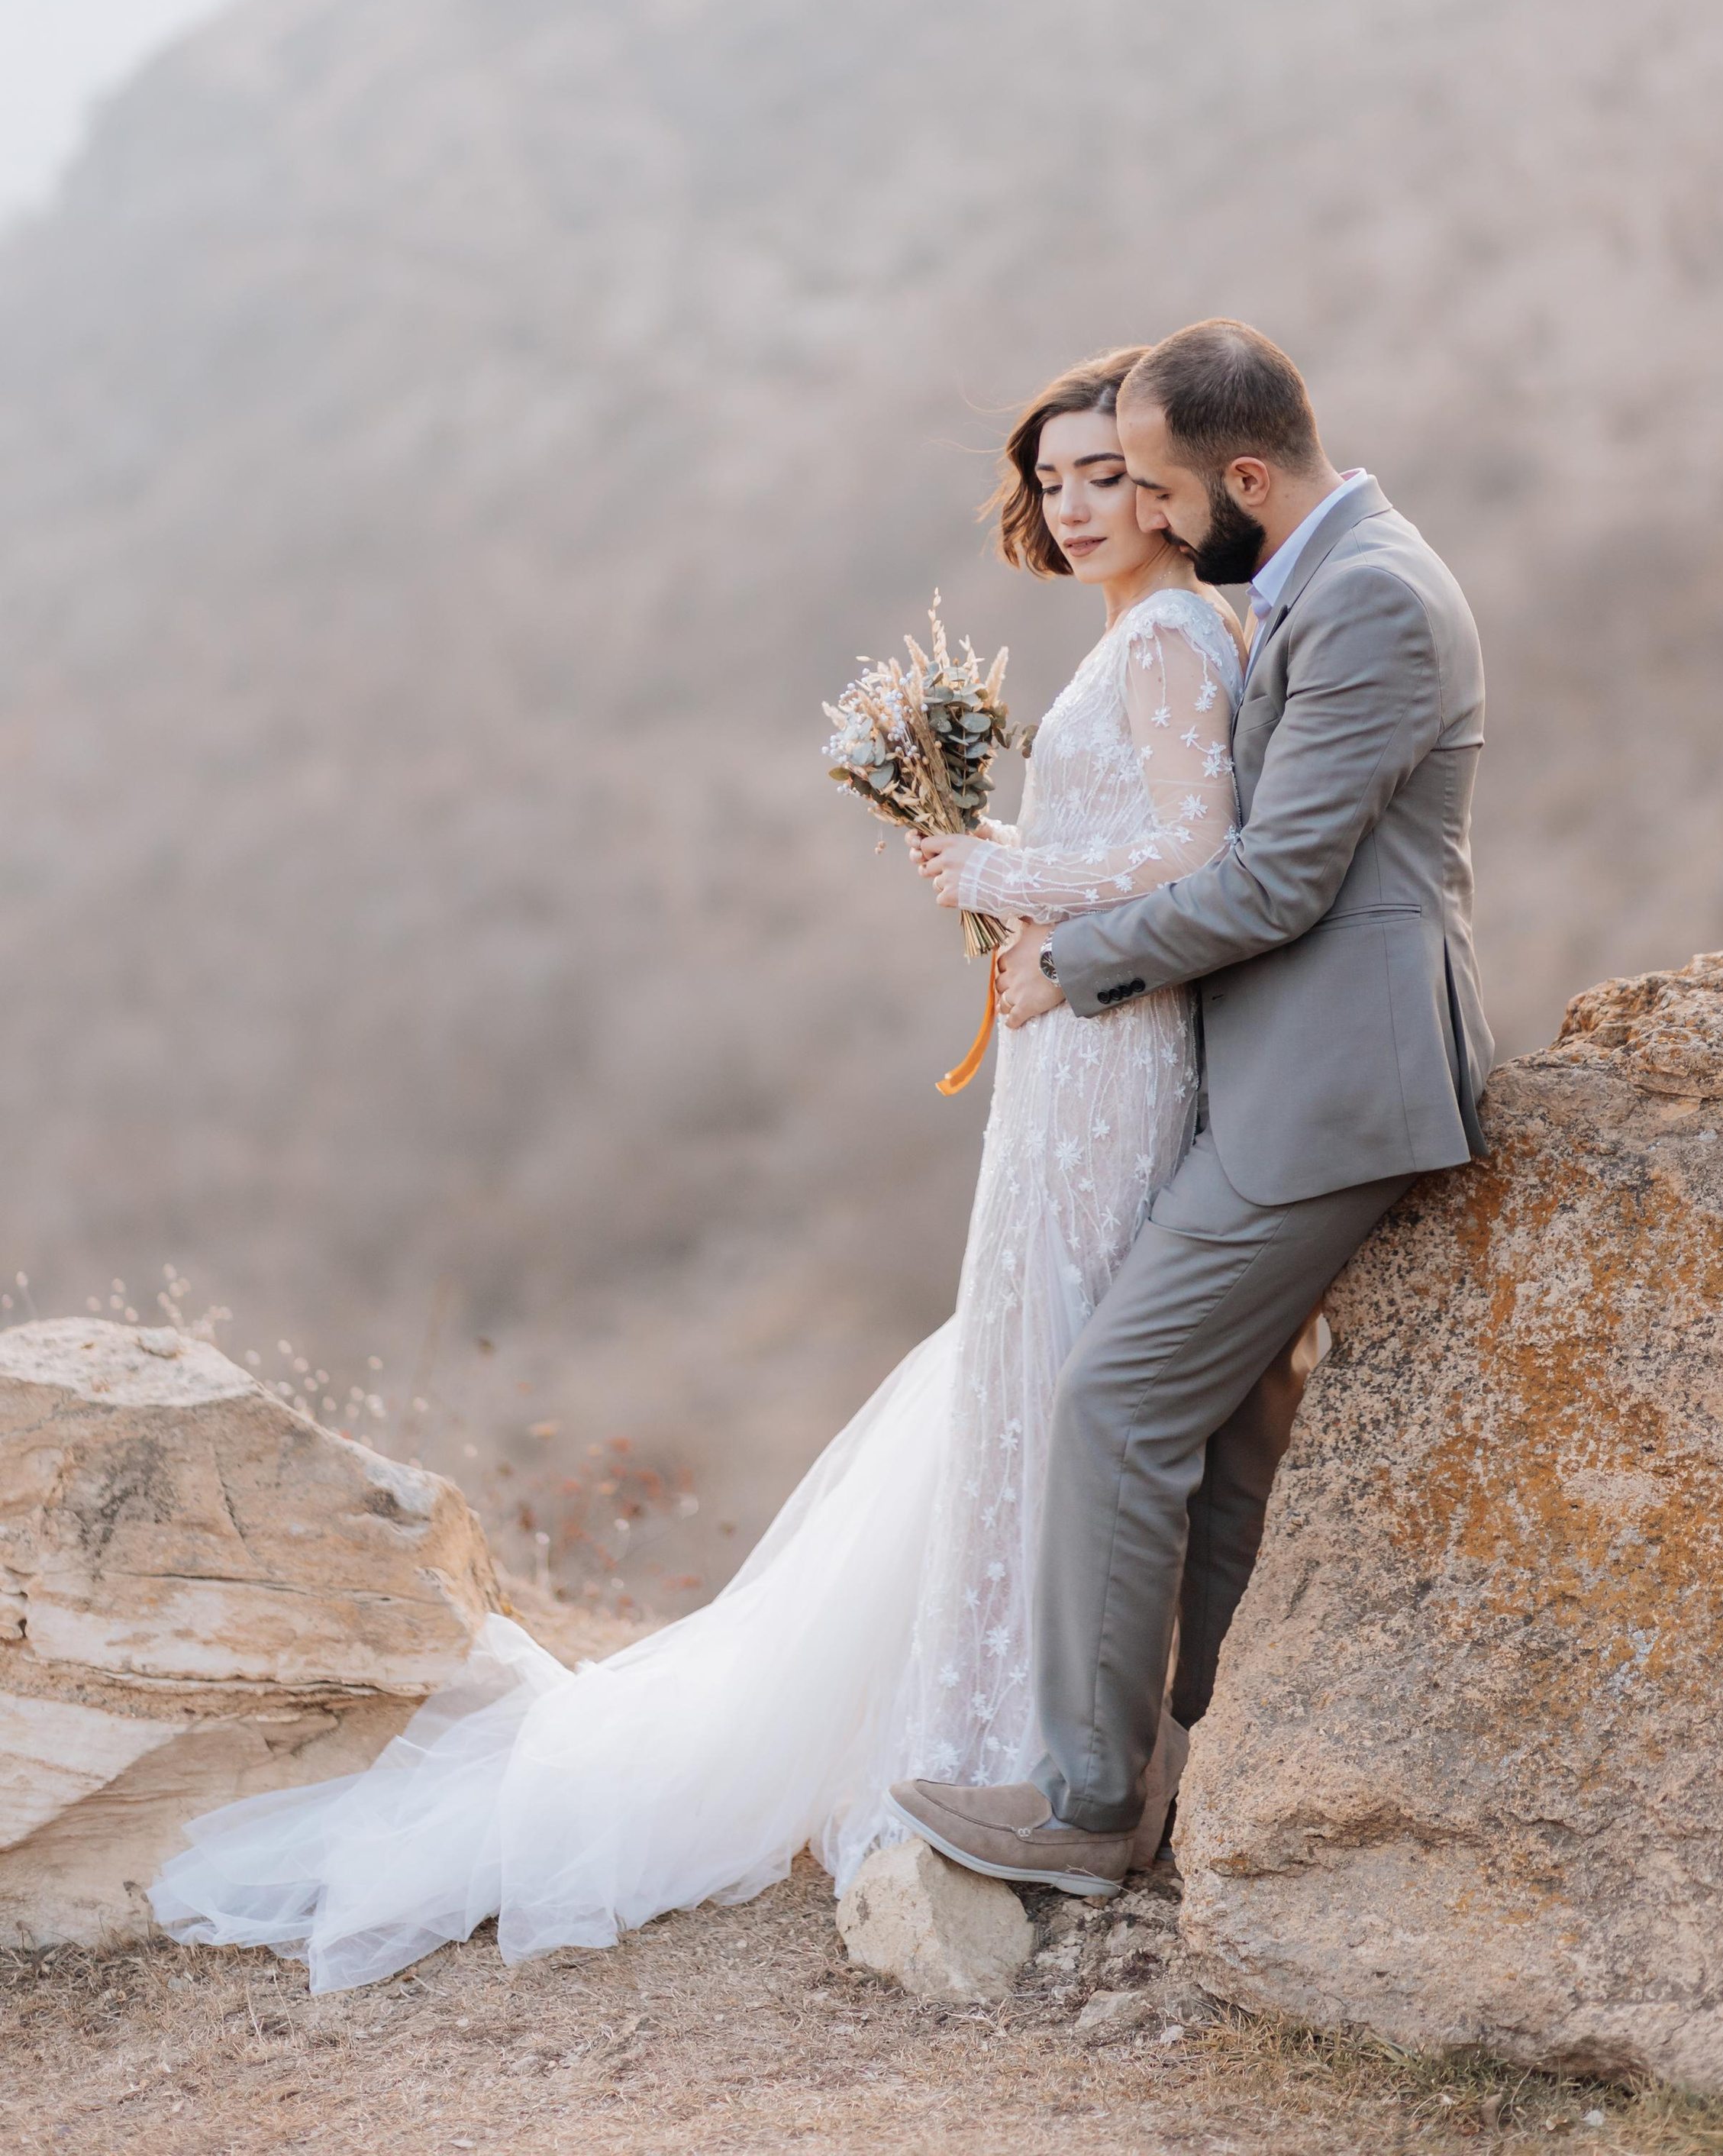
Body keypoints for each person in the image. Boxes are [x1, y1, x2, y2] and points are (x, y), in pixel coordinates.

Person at [150, 344, 1244, 1991]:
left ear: (1167, 483)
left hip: (1113, 1057)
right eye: (1054, 482)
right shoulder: (1125, 638)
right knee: (1027, 1359)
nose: (1079, 506)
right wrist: (1015, 905)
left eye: (1107, 476)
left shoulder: (1169, 640)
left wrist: (1009, 866)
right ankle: (1012, 1734)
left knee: (1060, 1364)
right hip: (1069, 1052)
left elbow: (1199, 849)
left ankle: (1030, 1749)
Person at [893, 316, 1490, 1899]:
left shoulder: (1367, 598)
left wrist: (1070, 956)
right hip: (1273, 1072)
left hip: (1330, 1090)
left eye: (1150, 484)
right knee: (1224, 1448)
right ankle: (1202, 1779)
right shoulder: (1309, 581)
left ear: (1236, 474)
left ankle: (1088, 1810)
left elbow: (1279, 874)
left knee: (1111, 1402)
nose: (1138, 515)